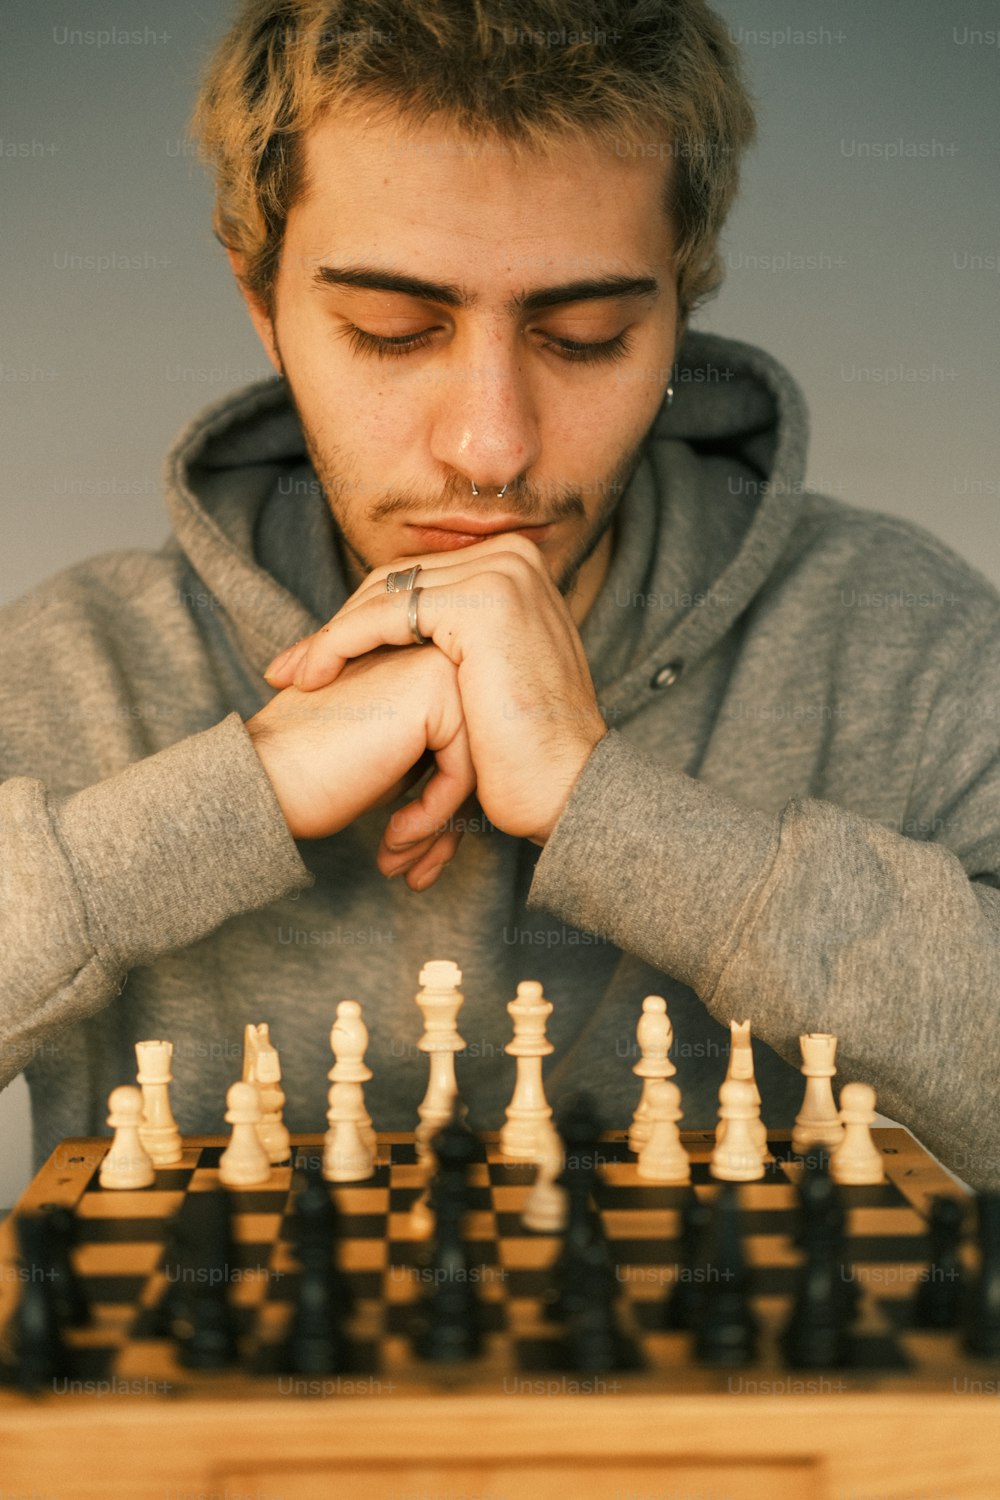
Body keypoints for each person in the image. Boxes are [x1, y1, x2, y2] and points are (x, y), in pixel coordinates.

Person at [2, 0, 998, 1189]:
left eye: (582, 335)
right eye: (392, 331)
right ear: (261, 299)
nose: (490, 448)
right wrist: (232, 795)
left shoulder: (908, 641)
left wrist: (609, 806)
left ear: (682, 303)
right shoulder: (73, 665)